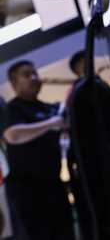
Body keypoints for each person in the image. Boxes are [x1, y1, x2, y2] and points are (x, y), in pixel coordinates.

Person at [0, 60, 74, 240]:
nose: (34, 78)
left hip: (54, 187)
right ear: (14, 84)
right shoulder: (13, 109)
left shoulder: (50, 109)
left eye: (35, 73)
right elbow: (13, 136)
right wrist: (52, 124)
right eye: (27, 75)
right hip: (27, 192)